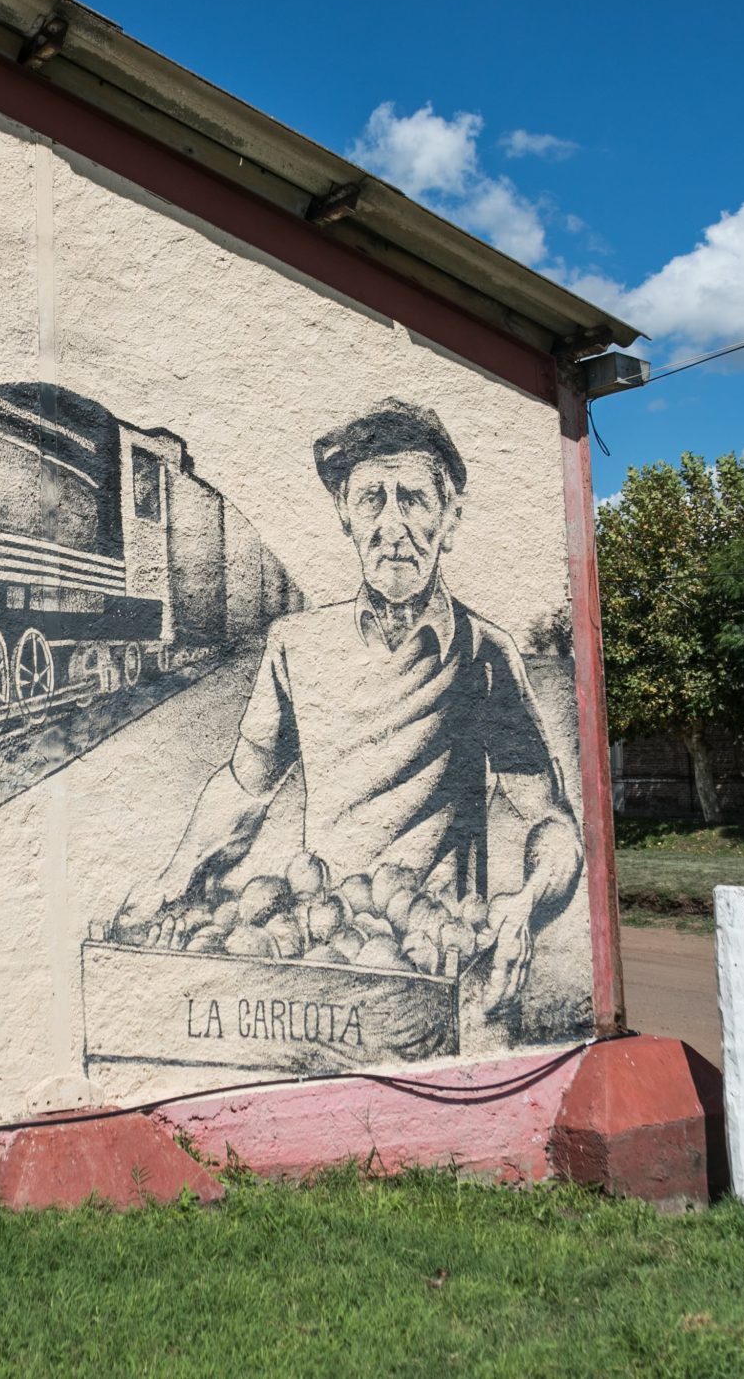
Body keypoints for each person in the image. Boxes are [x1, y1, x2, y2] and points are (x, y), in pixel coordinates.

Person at [120, 399, 582, 1024]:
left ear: (450, 518)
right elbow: (243, 789)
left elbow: (552, 821)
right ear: (344, 514)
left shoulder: (484, 654)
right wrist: (173, 877)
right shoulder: (295, 645)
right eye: (371, 499)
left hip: (434, 958)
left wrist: (525, 902)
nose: (393, 525)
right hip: (321, 945)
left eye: (414, 499)